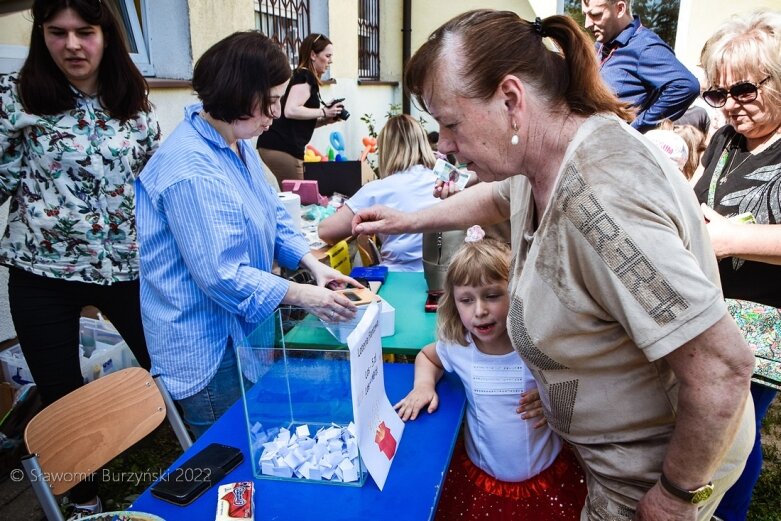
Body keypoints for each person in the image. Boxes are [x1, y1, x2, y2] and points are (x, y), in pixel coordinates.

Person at [352, 10, 755, 520]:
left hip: (649, 476)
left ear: (511, 101)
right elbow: (499, 198)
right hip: (609, 458)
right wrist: (407, 221)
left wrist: (676, 497)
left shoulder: (602, 203)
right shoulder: (545, 153)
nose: (444, 145)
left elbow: (721, 367)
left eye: (450, 123)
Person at [136, 31, 360, 439]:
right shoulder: (190, 168)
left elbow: (272, 209)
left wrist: (313, 266)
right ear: (238, 93)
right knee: (231, 453)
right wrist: (304, 294)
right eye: (270, 101)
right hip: (207, 344)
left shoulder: (236, 143)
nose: (275, 114)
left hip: (239, 331)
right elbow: (222, 275)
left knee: (257, 434)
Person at [0, 0, 157, 515]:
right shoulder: (16, 99)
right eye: (56, 32)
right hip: (41, 274)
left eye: (84, 32)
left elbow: (155, 184)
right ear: (40, 35)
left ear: (107, 35)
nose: (71, 45)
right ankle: (84, 500)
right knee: (62, 395)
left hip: (128, 271)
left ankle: (193, 461)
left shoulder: (134, 102)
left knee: (167, 367)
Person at [395, 228, 587, 519]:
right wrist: (423, 386)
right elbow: (427, 356)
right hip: (481, 479)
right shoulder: (458, 348)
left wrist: (553, 391)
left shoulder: (538, 345)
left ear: (517, 292)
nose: (480, 310)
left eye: (493, 295)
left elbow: (586, 374)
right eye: (467, 300)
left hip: (546, 478)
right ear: (453, 302)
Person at [694, 10, 781, 520]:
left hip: (762, 327)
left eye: (744, 91)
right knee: (712, 427)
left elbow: (725, 230)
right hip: (710, 312)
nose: (730, 106)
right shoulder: (726, 139)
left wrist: (731, 239)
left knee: (732, 433)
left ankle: (730, 512)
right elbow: (699, 193)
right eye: (717, 95)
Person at [318, 115, 440, 271]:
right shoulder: (445, 182)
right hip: (450, 278)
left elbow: (326, 231)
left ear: (386, 150)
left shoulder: (378, 189)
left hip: (398, 279)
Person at [581, 0, 700, 132]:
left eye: (595, 15)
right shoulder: (601, 44)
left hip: (612, 147)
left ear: (620, 9)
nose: (587, 24)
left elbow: (687, 86)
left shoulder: (645, 47)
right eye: (585, 15)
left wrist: (635, 128)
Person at [257, 33, 345, 184]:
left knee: (296, 196)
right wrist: (324, 111)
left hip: (277, 145)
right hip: (282, 146)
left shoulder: (304, 77)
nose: (330, 61)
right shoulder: (305, 76)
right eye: (327, 55)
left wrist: (325, 120)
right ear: (313, 55)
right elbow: (290, 111)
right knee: (301, 198)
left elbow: (298, 121)